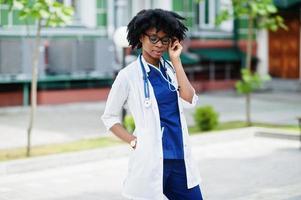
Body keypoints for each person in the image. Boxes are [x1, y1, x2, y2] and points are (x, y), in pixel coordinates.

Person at [101, 8, 203, 200]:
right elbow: (109, 117)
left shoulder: (171, 69)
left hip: (179, 160)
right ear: (141, 37)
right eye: (154, 38)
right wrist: (133, 141)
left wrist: (177, 61)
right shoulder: (128, 76)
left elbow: (189, 100)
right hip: (150, 160)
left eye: (165, 40)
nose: (159, 45)